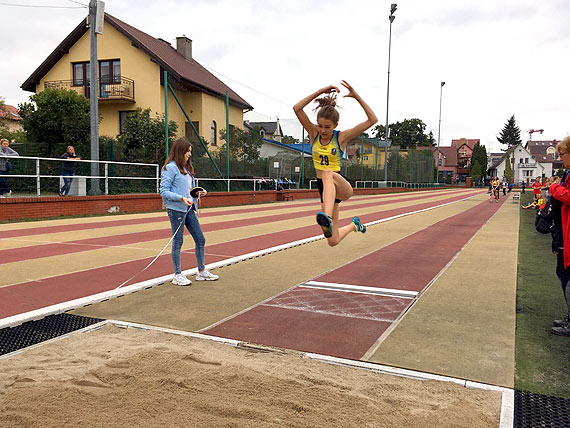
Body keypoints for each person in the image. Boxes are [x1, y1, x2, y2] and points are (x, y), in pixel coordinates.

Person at [293, 81, 378, 246]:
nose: (323, 131)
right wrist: (321, 90)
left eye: (327, 127)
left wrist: (356, 96)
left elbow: (372, 120)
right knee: (333, 240)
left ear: (335, 126)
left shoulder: (341, 137)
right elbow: (297, 108)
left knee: (327, 172)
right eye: (320, 126)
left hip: (340, 185)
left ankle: (327, 217)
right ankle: (354, 225)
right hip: (324, 190)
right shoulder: (313, 134)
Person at [160, 138, 219, 285]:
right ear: (181, 151)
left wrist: (199, 192)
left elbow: (189, 190)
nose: (189, 154)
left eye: (190, 152)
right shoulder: (169, 168)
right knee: (178, 241)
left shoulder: (186, 169)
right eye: (188, 151)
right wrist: (181, 198)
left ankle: (201, 272)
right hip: (176, 210)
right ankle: (177, 275)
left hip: (189, 209)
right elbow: (163, 191)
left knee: (200, 239)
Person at [549, 136, 570, 335]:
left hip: (569, 231)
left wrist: (555, 188)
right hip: (563, 230)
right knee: (563, 272)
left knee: (568, 274)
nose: (560, 158)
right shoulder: (568, 173)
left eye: (562, 154)